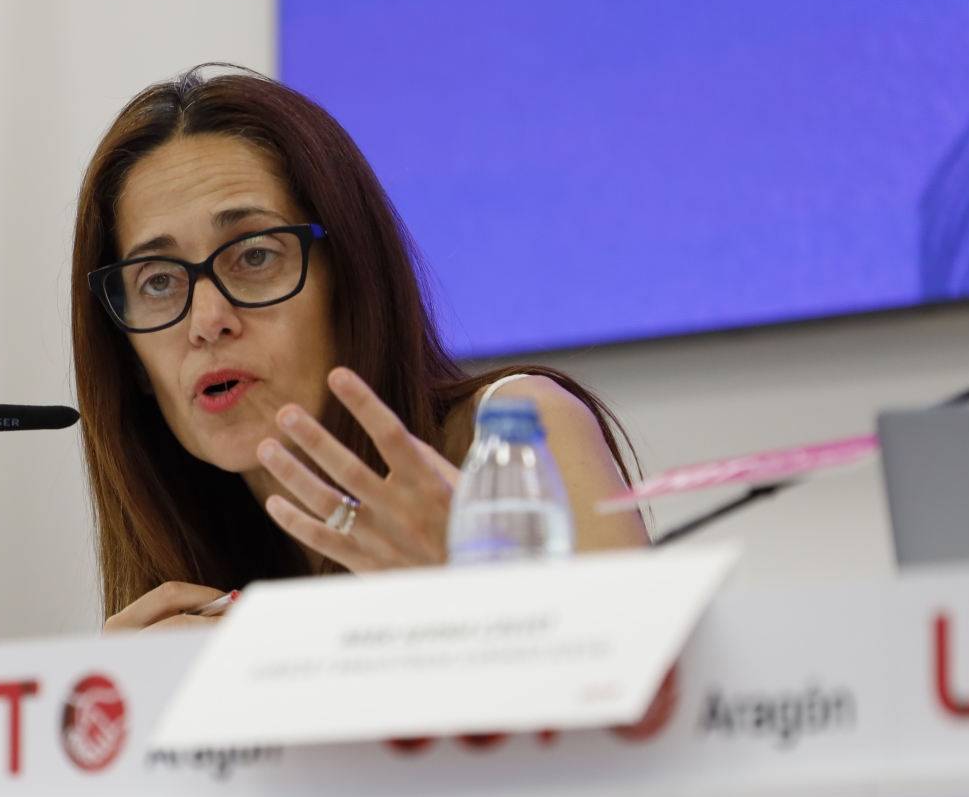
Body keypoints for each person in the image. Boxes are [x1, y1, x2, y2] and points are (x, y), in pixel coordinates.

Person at [72, 67, 646, 632]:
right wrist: (133, 686)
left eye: (254, 255)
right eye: (157, 281)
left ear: (350, 281)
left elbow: (640, 682)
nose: (207, 322)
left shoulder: (513, 436)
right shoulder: (194, 568)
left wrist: (461, 598)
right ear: (130, 359)